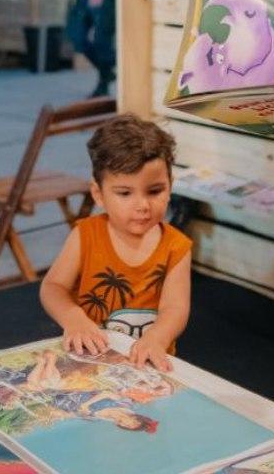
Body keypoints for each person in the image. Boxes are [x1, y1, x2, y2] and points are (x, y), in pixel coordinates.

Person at [40, 114, 191, 370]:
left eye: (155, 191)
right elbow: (53, 287)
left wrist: (157, 338)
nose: (143, 206)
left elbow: (175, 308)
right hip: (90, 355)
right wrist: (73, 318)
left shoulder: (177, 246)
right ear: (99, 194)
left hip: (147, 361)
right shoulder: (85, 234)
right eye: (124, 193)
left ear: (170, 186)